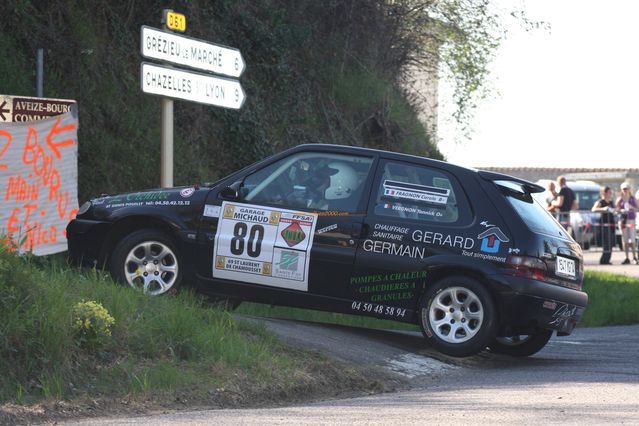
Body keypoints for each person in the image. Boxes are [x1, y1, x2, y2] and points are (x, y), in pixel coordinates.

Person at [592, 186, 615, 265]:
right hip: (604, 224)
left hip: (611, 224)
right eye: (609, 192)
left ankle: (607, 260)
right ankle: (603, 260)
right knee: (606, 243)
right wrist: (604, 209)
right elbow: (593, 209)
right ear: (604, 193)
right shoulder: (600, 201)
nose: (610, 193)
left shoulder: (611, 202)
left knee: (611, 243)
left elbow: (615, 210)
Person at [616, 182, 637, 265]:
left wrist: (632, 208)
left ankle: (634, 257)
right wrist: (620, 210)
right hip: (623, 220)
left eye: (626, 188)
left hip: (631, 220)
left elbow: (638, 208)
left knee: (632, 239)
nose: (625, 190)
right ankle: (626, 257)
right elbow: (616, 209)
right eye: (623, 189)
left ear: (629, 189)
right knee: (625, 240)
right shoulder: (619, 199)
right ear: (621, 190)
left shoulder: (633, 198)